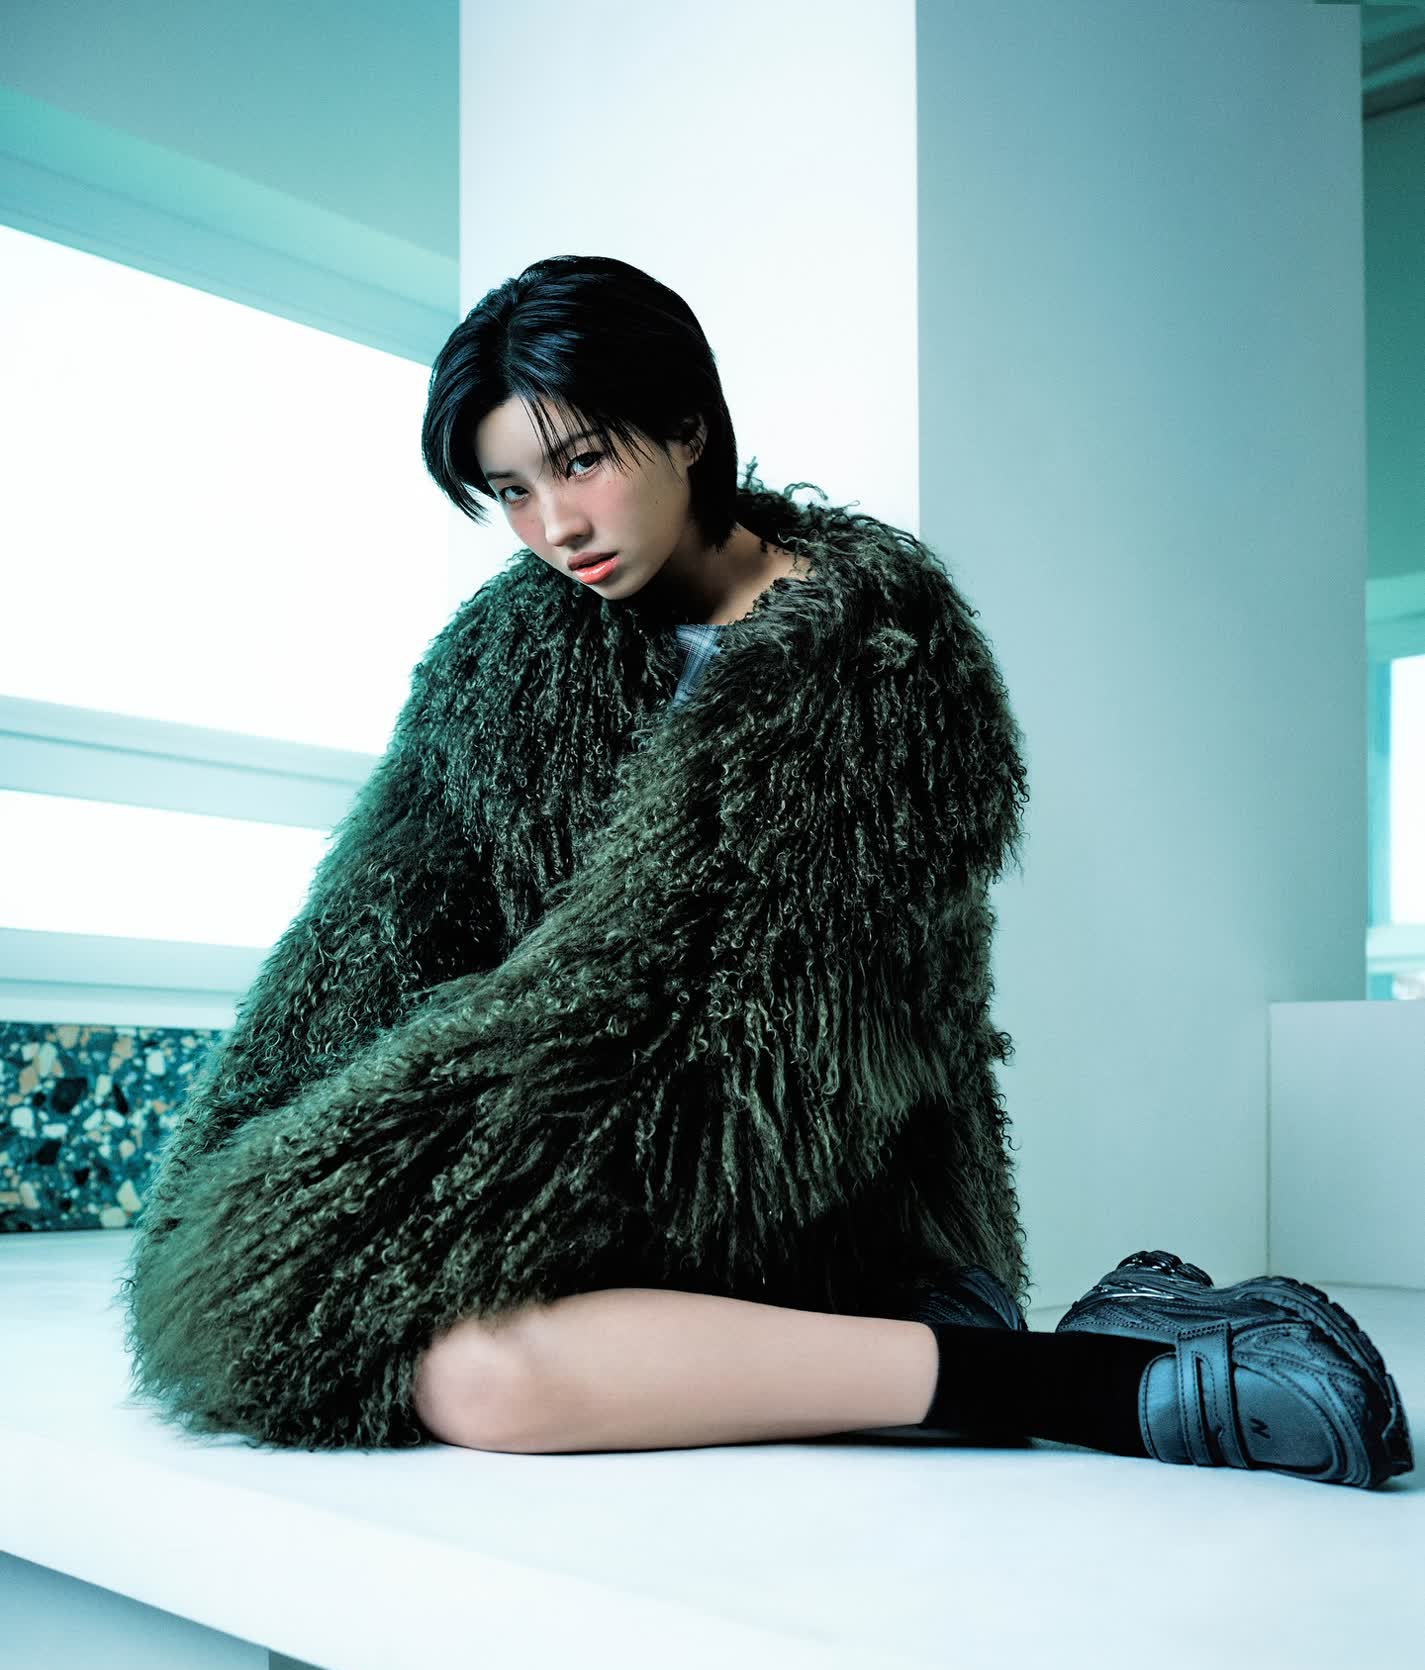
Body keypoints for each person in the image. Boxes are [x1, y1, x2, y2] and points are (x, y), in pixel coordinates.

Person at [117, 255, 1413, 1490]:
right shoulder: (508, 657)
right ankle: (1032, 1362)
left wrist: (374, 1213)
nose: (554, 525)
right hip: (598, 1182)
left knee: (479, 1379)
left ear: (685, 427)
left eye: (581, 460)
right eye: (509, 491)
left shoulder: (878, 656)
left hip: (830, 1201)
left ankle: (1086, 1384)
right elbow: (375, 931)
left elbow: (729, 1042)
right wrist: (251, 1178)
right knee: (365, 1318)